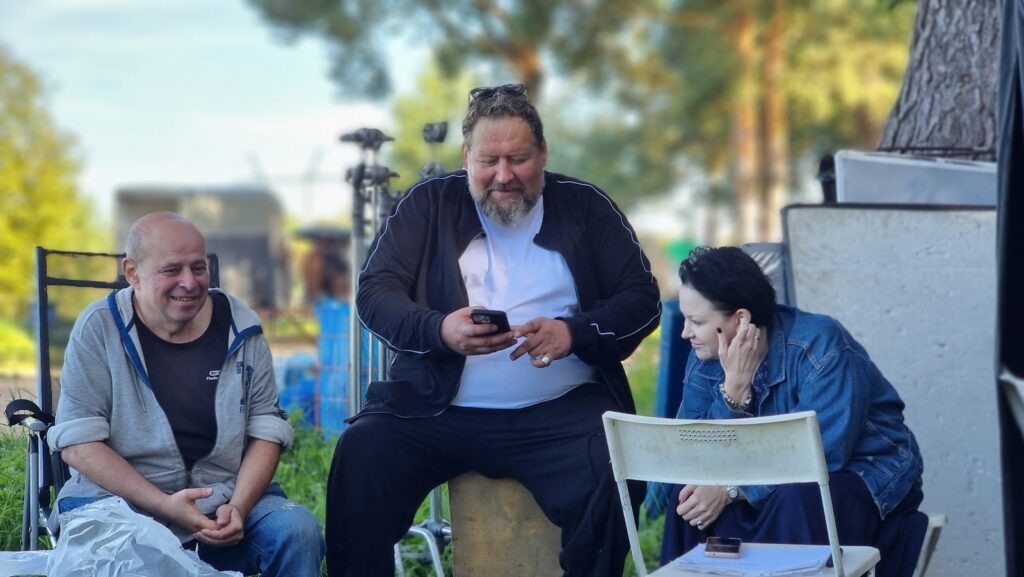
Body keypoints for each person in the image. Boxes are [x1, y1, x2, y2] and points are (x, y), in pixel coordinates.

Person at [324, 83, 661, 576]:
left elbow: (641, 299)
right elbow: (375, 293)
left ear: (543, 153)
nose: (504, 176)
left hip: (561, 412)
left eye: (518, 159)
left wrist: (573, 333)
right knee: (361, 453)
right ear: (466, 157)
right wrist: (440, 330)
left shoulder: (586, 206)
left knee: (613, 466)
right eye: (488, 161)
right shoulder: (427, 204)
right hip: (436, 409)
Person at [50, 212, 325, 577]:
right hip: (120, 506)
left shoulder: (242, 327)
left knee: (298, 530)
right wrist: (164, 505)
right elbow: (79, 445)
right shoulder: (97, 328)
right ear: (132, 272)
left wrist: (239, 507)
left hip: (223, 501)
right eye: (171, 270)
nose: (190, 282)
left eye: (198, 267)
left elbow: (266, 430)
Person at [661, 246, 926, 577]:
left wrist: (732, 490)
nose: (685, 332)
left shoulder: (820, 345)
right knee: (687, 500)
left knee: (795, 498)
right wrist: (734, 392)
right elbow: (692, 454)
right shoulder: (705, 356)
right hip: (766, 477)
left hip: (863, 470)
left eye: (697, 321)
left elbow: (822, 455)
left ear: (740, 319)